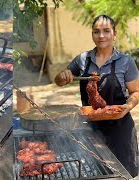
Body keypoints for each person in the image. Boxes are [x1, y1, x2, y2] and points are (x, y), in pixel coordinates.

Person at [54, 14, 139, 177]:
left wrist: (127, 106)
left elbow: (135, 91)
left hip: (120, 129)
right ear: (92, 34)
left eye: (106, 31)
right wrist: (63, 75)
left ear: (114, 34)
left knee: (123, 174)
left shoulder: (126, 61)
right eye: (96, 31)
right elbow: (58, 81)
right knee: (95, 173)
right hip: (90, 128)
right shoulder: (82, 59)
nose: (101, 36)